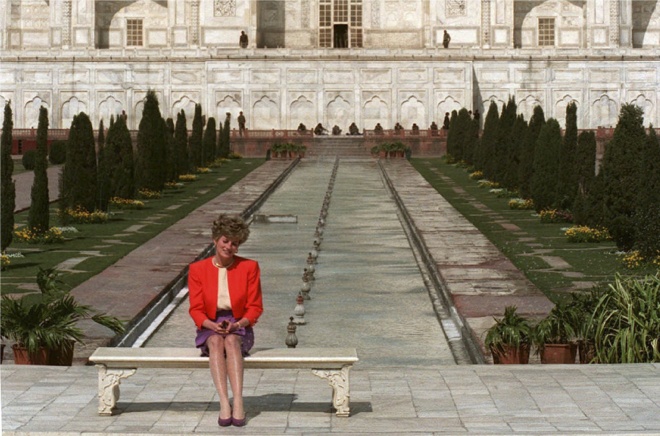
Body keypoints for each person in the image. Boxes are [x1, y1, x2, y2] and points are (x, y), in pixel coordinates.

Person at [188, 214, 263, 428]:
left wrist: (238, 325)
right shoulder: (197, 269)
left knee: (230, 341)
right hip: (209, 324)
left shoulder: (249, 267)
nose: (229, 247)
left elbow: (255, 307)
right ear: (215, 240)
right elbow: (195, 309)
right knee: (215, 341)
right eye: (225, 240)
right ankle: (223, 402)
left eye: (235, 243)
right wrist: (210, 325)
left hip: (240, 325)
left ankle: (238, 401)